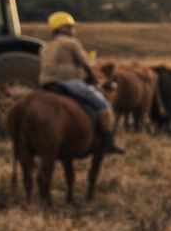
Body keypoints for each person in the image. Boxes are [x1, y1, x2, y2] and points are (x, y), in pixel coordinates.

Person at [38, 11, 125, 154]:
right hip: (67, 83)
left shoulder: (46, 47)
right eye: (72, 27)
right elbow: (87, 65)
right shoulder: (72, 43)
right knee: (103, 105)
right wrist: (95, 77)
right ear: (65, 29)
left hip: (47, 84)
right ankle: (108, 142)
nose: (74, 30)